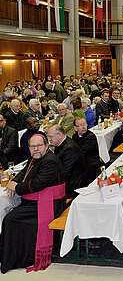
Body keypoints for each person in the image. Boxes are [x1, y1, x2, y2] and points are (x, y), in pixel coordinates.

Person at [0, 134, 66, 273]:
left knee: (11, 219)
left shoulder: (50, 161)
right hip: (38, 200)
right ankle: (9, 255)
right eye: (32, 146)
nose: (36, 149)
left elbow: (37, 184)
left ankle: (18, 259)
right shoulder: (35, 157)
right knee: (11, 216)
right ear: (29, 148)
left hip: (51, 203)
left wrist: (16, 188)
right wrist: (14, 181)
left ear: (46, 146)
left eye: (39, 146)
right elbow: (24, 171)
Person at [46, 125, 85, 198]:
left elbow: (65, 173)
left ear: (60, 135)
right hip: (69, 180)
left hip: (73, 186)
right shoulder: (61, 144)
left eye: (51, 137)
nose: (49, 140)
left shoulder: (69, 149)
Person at [72, 117, 101, 186]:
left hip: (91, 167)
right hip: (81, 166)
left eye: (85, 124)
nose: (84, 127)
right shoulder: (74, 136)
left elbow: (81, 152)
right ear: (75, 128)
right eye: (81, 125)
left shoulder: (90, 137)